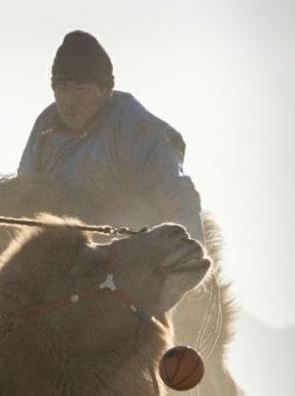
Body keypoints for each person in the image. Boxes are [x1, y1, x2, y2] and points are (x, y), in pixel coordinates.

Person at [18, 30, 204, 242]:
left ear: (105, 90)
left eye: (80, 88)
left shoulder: (135, 126)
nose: (70, 100)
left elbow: (178, 198)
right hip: (61, 252)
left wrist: (190, 260)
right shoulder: (46, 128)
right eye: (63, 89)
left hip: (127, 249)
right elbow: (23, 195)